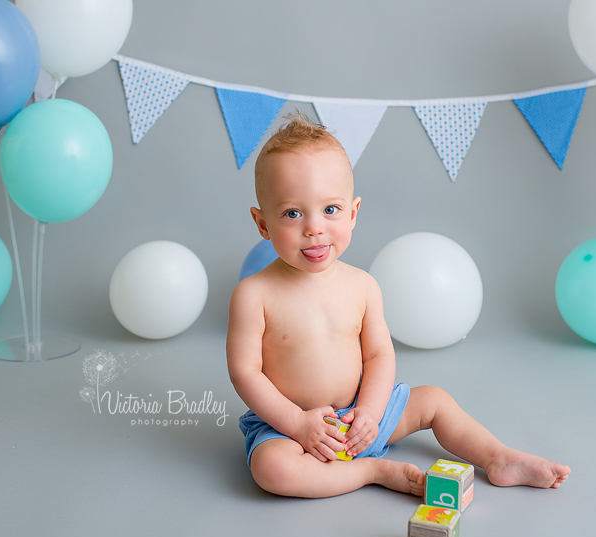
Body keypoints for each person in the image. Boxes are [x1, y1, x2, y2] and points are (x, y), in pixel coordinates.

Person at [227, 112, 570, 498]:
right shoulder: (254, 294)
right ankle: (371, 472)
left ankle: (499, 457)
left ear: (353, 212)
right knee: (273, 469)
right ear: (262, 224)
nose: (314, 228)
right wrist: (297, 423)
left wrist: (371, 414)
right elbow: (245, 373)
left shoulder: (363, 286)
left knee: (435, 400)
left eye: (330, 209)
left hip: (361, 415)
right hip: (294, 427)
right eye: (292, 213)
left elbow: (378, 357)